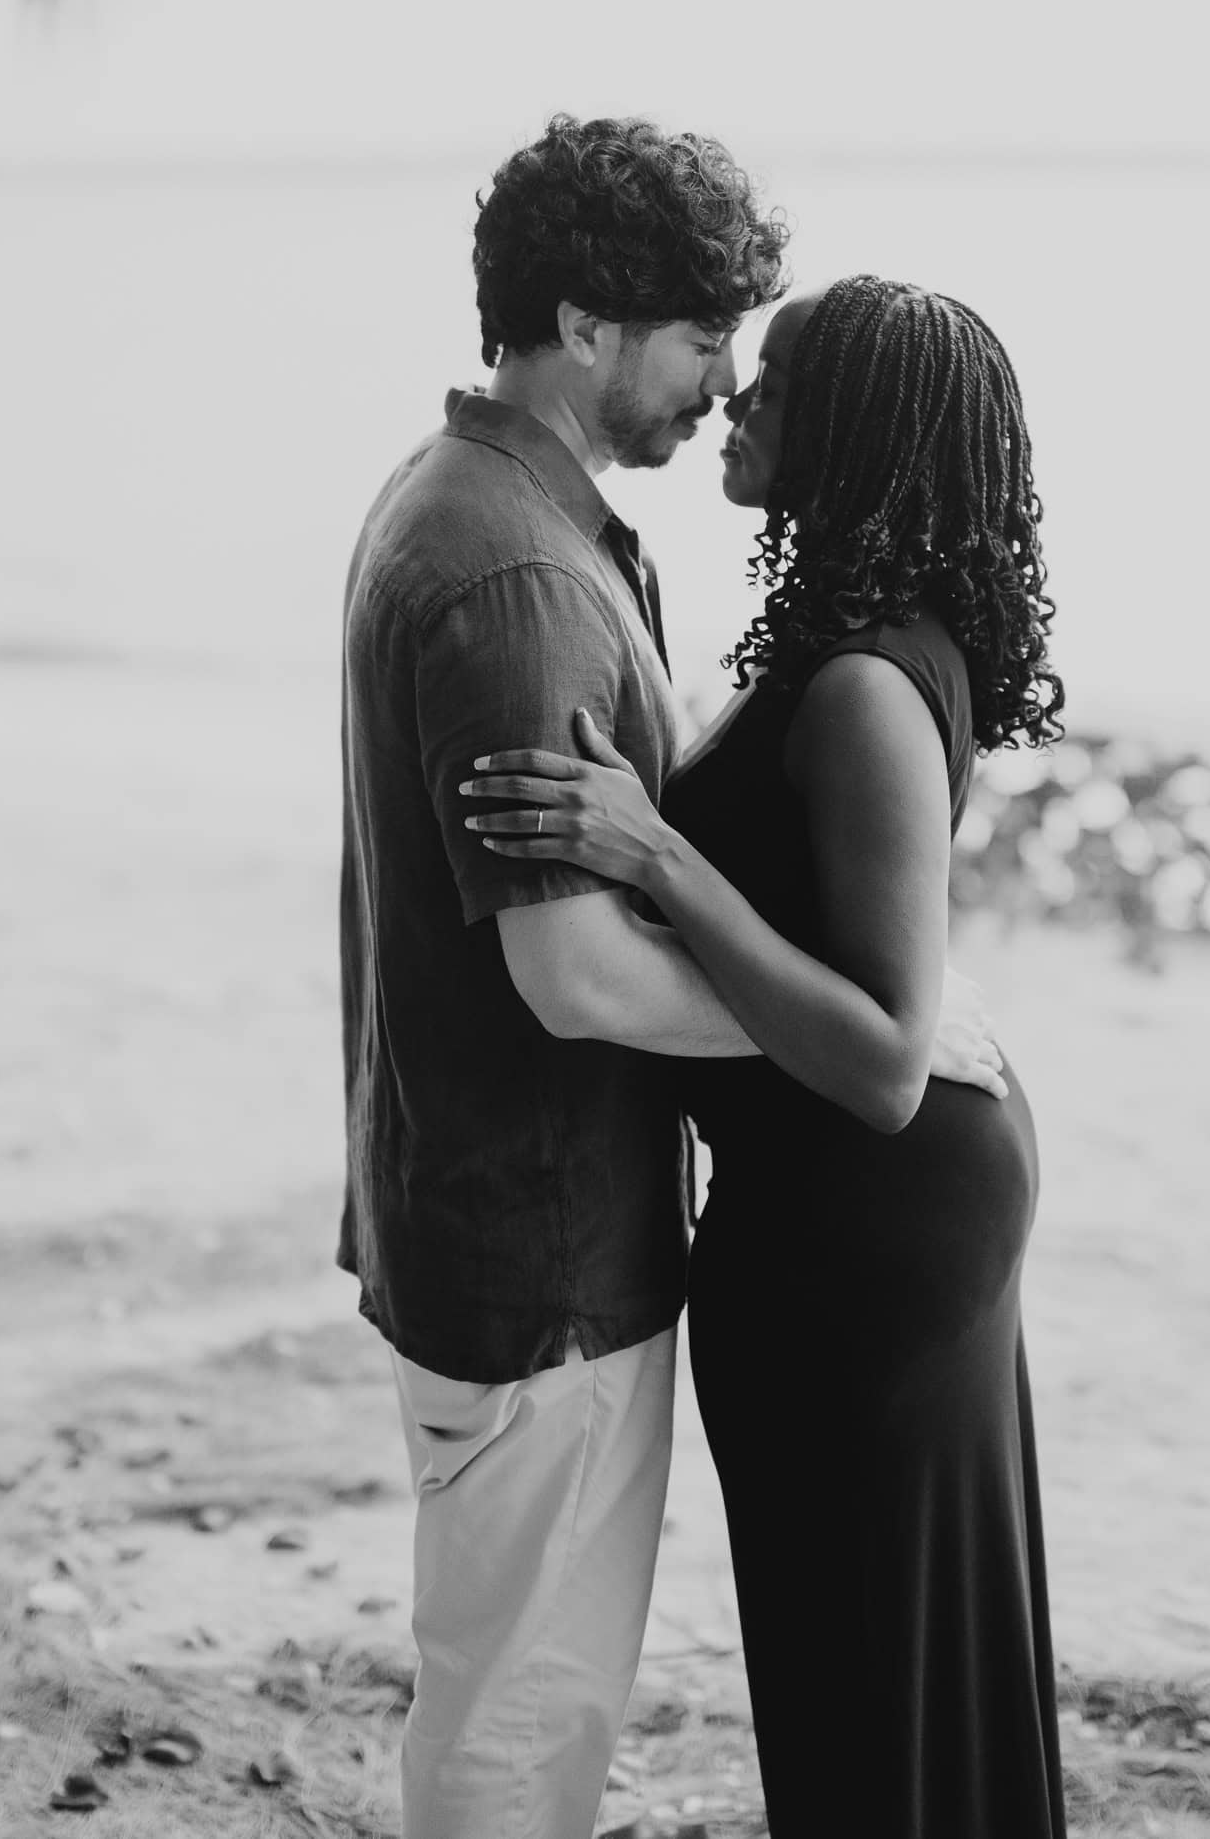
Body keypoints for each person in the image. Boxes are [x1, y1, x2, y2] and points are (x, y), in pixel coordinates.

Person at [337, 130, 1003, 1839]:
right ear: (582, 321)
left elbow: (835, 1008)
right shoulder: (522, 572)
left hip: (544, 1223)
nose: (723, 380)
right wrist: (871, 1044)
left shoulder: (493, 509)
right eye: (706, 338)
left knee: (533, 1700)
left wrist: (885, 1034)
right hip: (542, 1251)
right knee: (520, 1722)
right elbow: (574, 979)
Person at [465, 275, 1070, 1837]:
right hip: (867, 1215)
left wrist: (659, 858)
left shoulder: (867, 685)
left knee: (870, 1671)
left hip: (866, 1228)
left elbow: (877, 1056)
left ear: (857, 436)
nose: (739, 396)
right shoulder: (855, 645)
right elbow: (877, 958)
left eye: (780, 386)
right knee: (882, 1666)